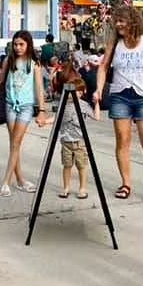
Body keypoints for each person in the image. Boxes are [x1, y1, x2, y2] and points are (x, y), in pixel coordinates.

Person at [95, 7, 143, 204]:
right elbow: (103, 66)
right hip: (120, 95)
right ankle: (126, 183)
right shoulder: (115, 42)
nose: (118, 24)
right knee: (123, 140)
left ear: (133, 21)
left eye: (122, 20)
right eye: (116, 21)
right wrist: (99, 90)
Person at [0, 30, 50, 197]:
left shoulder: (34, 64)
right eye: (15, 44)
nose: (18, 47)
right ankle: (20, 180)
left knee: (15, 143)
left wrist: (41, 110)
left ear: (28, 45)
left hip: (26, 107)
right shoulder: (9, 60)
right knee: (14, 144)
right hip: (10, 105)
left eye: (21, 44)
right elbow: (0, 81)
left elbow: (39, 88)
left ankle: (6, 181)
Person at [54, 58, 93, 199]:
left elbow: (94, 115)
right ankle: (66, 187)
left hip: (79, 141)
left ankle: (82, 188)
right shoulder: (63, 103)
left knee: (82, 165)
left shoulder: (82, 104)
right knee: (67, 165)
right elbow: (57, 117)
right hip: (66, 140)